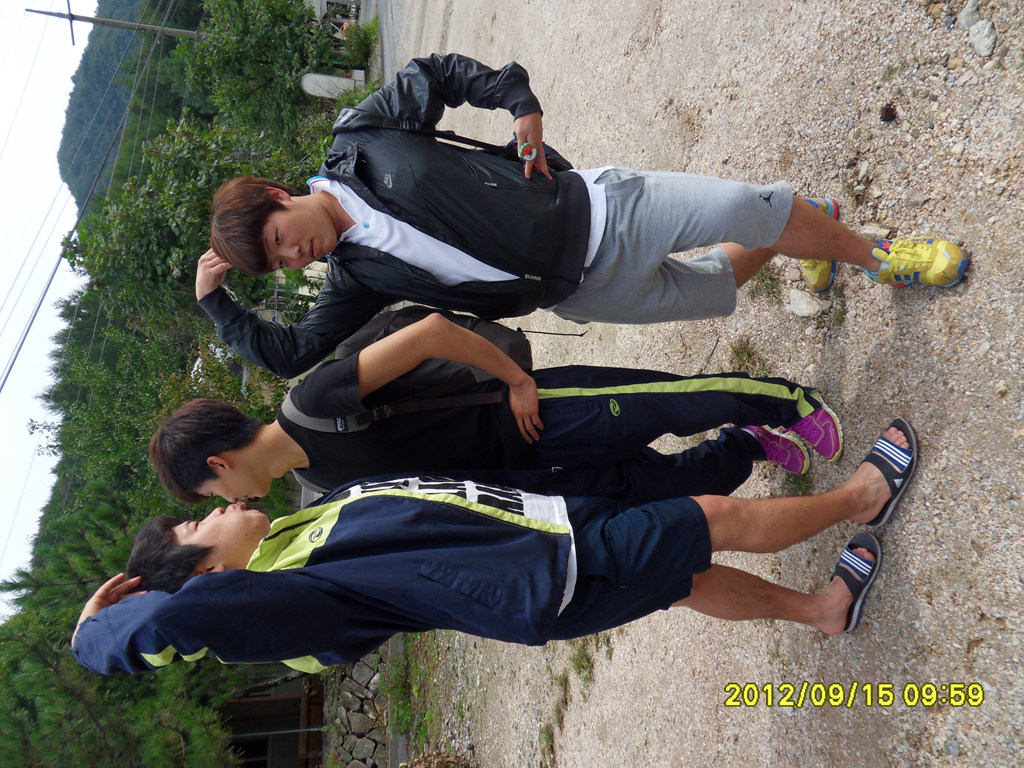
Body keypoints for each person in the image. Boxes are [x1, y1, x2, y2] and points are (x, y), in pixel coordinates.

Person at [195, 53, 970, 378]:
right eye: (281, 264)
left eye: (279, 240)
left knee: (739, 205)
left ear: (277, 196)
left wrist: (517, 100)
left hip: (598, 209)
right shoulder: (354, 277)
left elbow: (436, 74)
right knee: (716, 286)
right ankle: (806, 229)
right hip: (578, 291)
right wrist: (218, 306)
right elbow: (295, 354)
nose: (294, 256)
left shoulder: (360, 139)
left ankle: (881, 257)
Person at [71, 420, 918, 676]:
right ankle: (863, 496)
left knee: (683, 578)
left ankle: (822, 611)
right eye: (197, 525)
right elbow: (185, 624)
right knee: (710, 518)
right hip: (547, 576)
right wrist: (103, 631)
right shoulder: (288, 605)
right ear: (201, 572)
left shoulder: (296, 531)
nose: (222, 507)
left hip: (547, 530)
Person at [149, 312, 844, 506]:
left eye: (211, 494)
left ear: (219, 463)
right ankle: (749, 444)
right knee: (664, 489)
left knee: (661, 405)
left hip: (524, 411)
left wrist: (516, 380)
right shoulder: (319, 483)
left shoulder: (311, 403)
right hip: (534, 476)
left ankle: (789, 403)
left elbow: (428, 334)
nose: (226, 504)